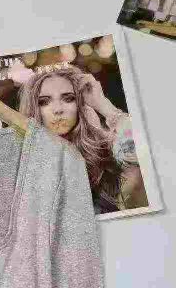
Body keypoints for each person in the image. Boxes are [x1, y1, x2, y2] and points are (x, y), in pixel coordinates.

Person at [16, 65, 148, 213]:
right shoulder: (23, 167)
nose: (58, 109)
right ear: (34, 108)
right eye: (44, 102)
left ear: (80, 105)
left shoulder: (105, 154)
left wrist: (103, 105)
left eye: (68, 99)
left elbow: (148, 158)